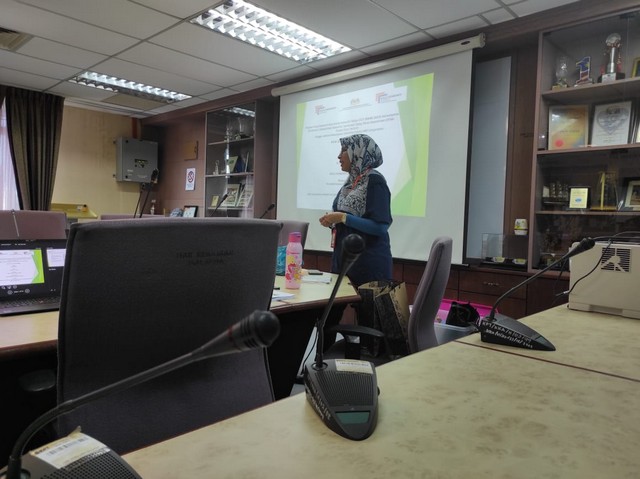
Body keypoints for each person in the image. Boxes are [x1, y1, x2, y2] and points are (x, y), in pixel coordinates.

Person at [318, 133, 393, 350]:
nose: (339, 156)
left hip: (368, 267)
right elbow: (345, 218)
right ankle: (320, 365)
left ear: (358, 153)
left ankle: (372, 369)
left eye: (344, 150)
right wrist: (333, 221)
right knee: (326, 319)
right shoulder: (350, 182)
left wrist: (343, 218)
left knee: (371, 334)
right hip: (343, 265)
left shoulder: (375, 181)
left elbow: (381, 226)